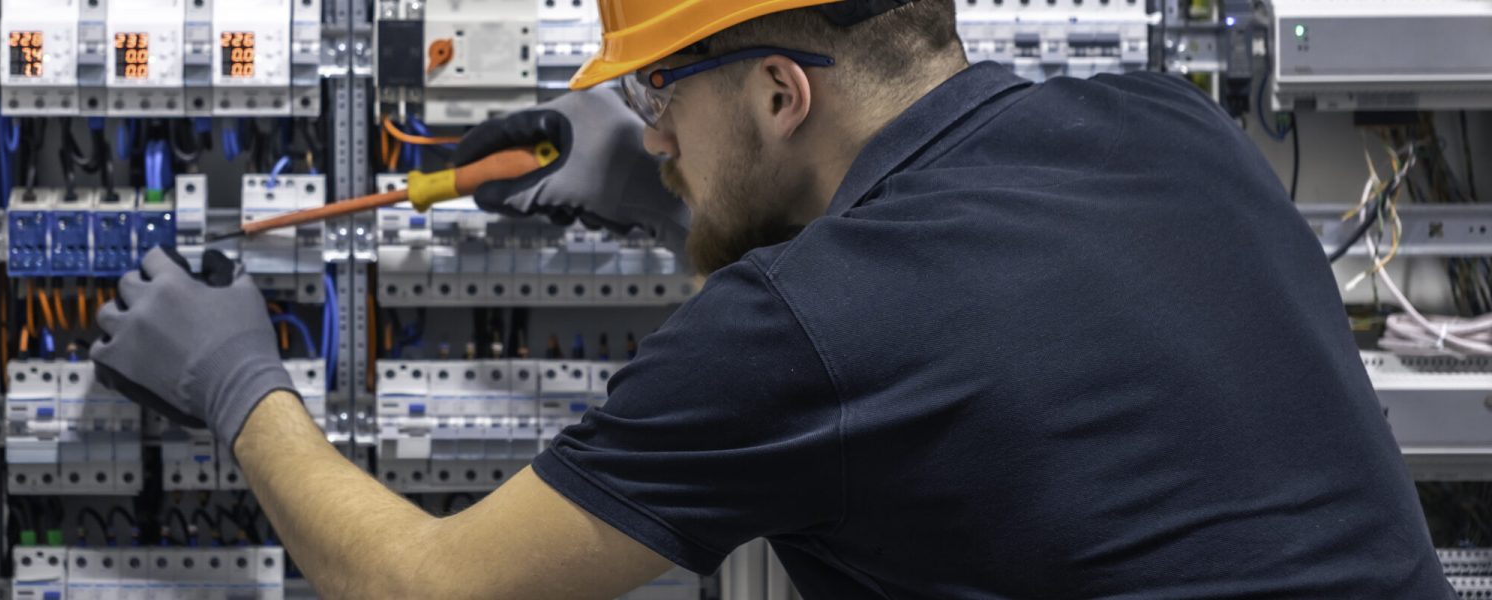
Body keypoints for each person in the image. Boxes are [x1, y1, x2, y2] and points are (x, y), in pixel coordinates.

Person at [93, 0, 1456, 597]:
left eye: (658, 93)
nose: (649, 129)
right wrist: (673, 201)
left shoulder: (796, 330)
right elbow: (961, 304)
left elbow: (428, 585)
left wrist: (237, 380)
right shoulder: (1174, 128)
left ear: (780, 92)